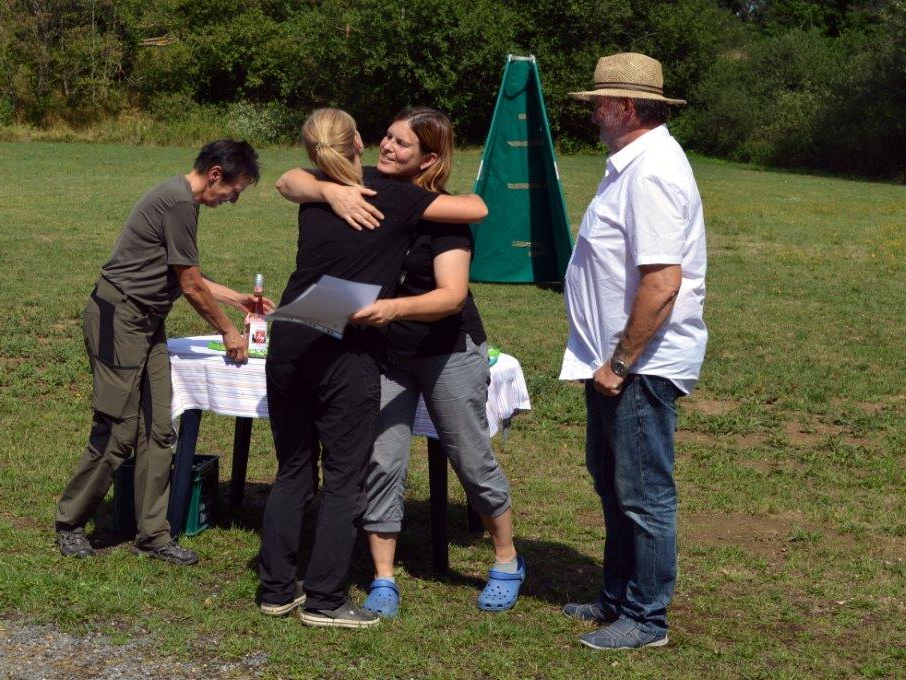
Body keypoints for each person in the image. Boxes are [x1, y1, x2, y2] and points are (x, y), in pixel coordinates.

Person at [284, 107, 522, 617]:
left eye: (402, 144)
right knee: (382, 460)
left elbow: (451, 296)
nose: (388, 148)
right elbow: (290, 180)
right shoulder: (366, 185)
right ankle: (383, 577)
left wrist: (393, 309)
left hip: (445, 351)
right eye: (387, 137)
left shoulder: (445, 216)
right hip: (386, 352)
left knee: (470, 458)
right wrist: (330, 191)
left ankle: (506, 559)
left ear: (429, 159)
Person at [54, 140, 266, 566]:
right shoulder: (178, 202)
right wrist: (229, 331)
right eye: (235, 191)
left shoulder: (182, 200)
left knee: (158, 428)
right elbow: (189, 285)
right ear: (215, 174)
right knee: (119, 429)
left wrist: (237, 300)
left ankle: (153, 534)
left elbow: (186, 274)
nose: (232, 200)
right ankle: (70, 522)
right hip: (119, 318)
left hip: (148, 323)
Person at [558, 52, 708, 649]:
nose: (593, 112)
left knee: (642, 494)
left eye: (599, 102)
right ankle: (617, 597)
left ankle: (646, 618)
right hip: (616, 362)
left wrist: (621, 363)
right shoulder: (632, 165)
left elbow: (663, 282)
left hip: (638, 366)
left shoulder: (653, 172)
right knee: (616, 485)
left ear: (623, 106)